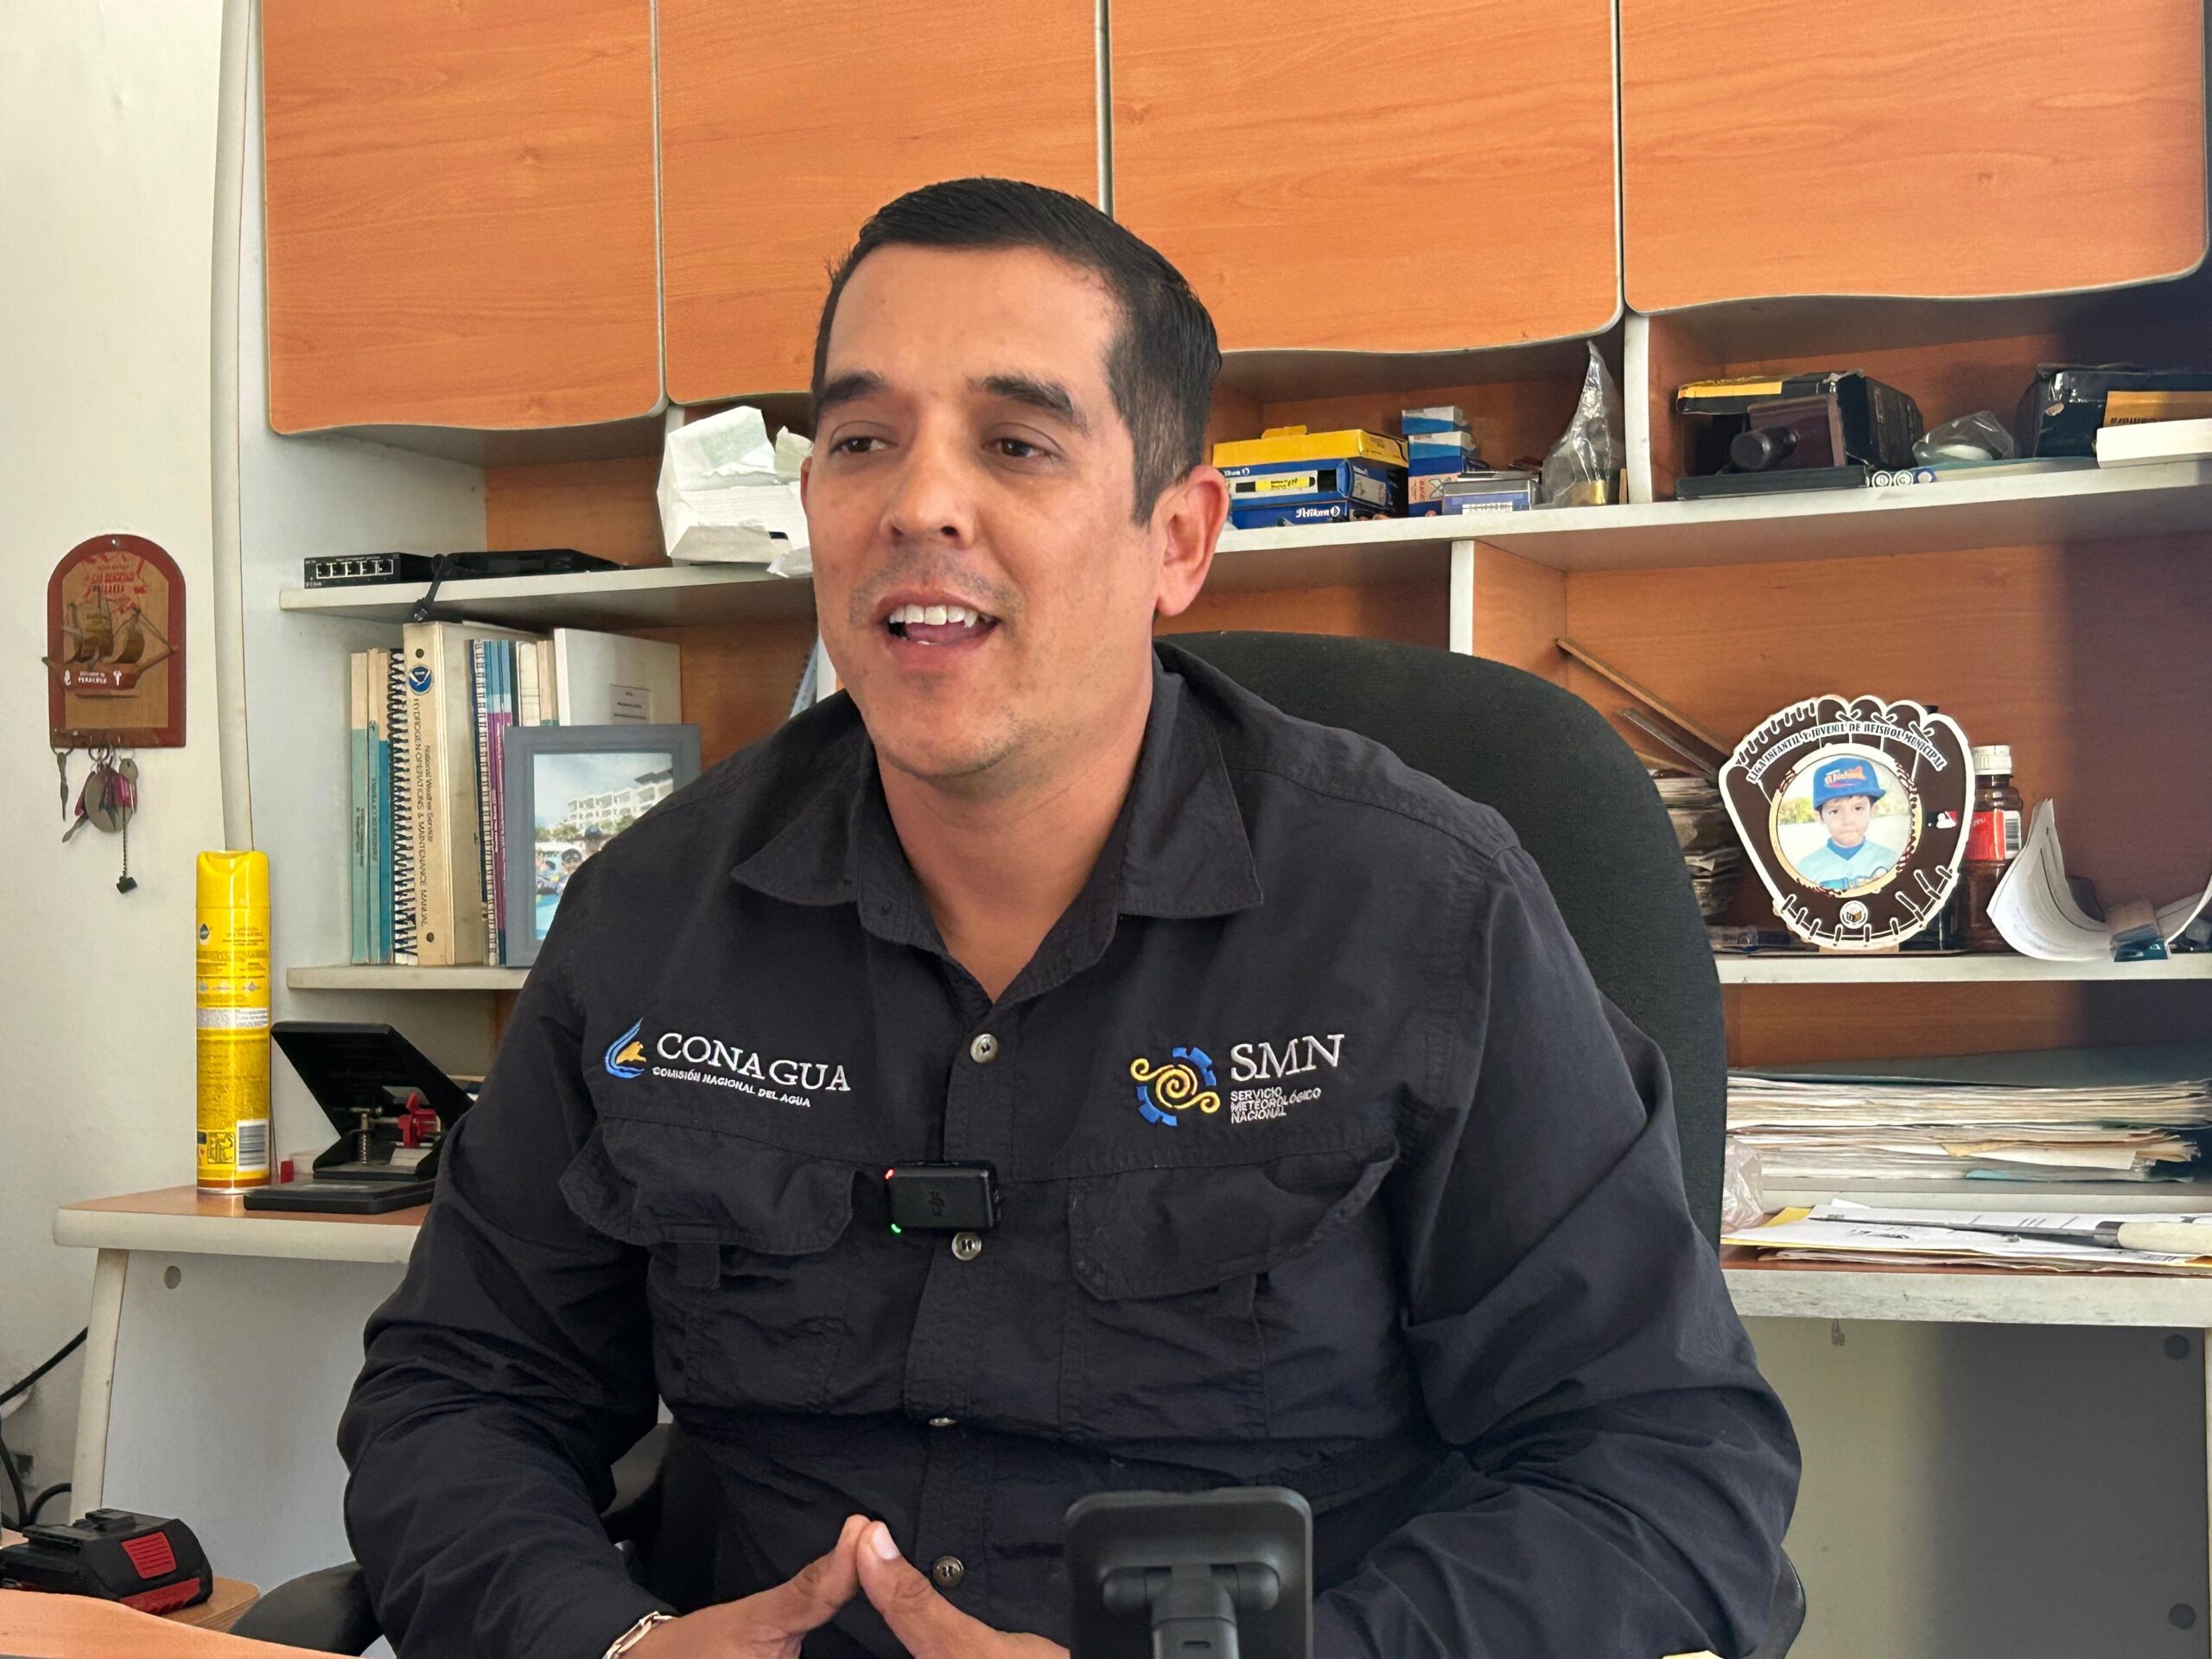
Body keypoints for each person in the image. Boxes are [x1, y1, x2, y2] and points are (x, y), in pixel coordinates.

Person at [339, 177, 1798, 1659]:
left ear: (1179, 538)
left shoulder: (1423, 909)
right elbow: (458, 1394)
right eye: (860, 441)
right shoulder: (653, 915)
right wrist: (611, 1644)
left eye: (1016, 443)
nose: (917, 504)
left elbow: (1665, 1473)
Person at [1791, 756, 1898, 893]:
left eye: (1858, 808)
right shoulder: (1805, 869)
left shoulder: (1891, 860)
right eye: (1835, 811)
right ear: (1820, 817)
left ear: (1873, 810)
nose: (1848, 820)